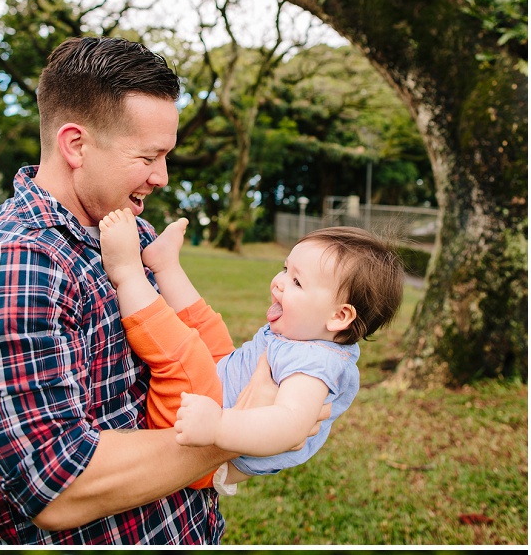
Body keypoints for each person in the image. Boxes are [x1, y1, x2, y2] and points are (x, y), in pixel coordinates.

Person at [0, 35, 323, 545]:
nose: (162, 177)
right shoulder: (19, 263)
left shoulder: (132, 234)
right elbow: (58, 486)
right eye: (149, 156)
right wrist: (241, 429)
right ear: (75, 145)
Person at [99, 210, 404, 490]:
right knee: (212, 331)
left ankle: (127, 274)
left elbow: (291, 427)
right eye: (285, 269)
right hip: (223, 392)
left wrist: (218, 427)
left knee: (187, 354)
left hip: (202, 449)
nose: (279, 283)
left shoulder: (316, 365)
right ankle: (165, 266)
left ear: (339, 317)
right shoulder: (304, 335)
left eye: (297, 281)